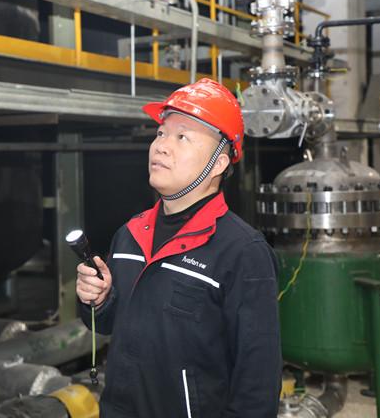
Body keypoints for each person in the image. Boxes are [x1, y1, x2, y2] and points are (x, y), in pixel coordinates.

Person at [76, 78, 281, 417]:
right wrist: (97, 300)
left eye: (182, 137)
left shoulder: (242, 252)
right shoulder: (129, 235)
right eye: (160, 133)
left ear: (219, 163)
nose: (161, 146)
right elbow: (109, 323)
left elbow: (257, 386)